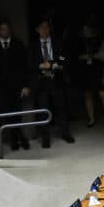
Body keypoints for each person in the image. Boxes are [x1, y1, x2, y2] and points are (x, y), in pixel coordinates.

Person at [28, 18, 73, 147]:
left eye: (47, 27)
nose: (45, 30)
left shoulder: (58, 42)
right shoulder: (33, 45)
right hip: (41, 83)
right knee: (43, 110)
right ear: (37, 30)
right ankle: (45, 139)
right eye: (42, 27)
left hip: (56, 80)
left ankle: (65, 134)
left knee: (61, 108)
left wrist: (55, 64)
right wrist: (41, 66)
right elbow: (29, 65)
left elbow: (65, 58)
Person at [0, 20, 31, 151]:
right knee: (5, 115)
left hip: (16, 86)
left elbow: (25, 66)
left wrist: (25, 85)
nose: (5, 31)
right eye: (2, 29)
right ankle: (17, 139)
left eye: (7, 29)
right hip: (0, 88)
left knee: (16, 114)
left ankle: (17, 140)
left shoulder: (18, 44)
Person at [70, 17, 104, 129]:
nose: (86, 30)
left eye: (88, 28)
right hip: (85, 70)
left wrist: (93, 56)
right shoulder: (78, 41)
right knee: (87, 94)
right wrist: (81, 57)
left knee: (103, 94)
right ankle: (91, 119)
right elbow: (73, 56)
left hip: (98, 69)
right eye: (84, 28)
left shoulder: (99, 40)